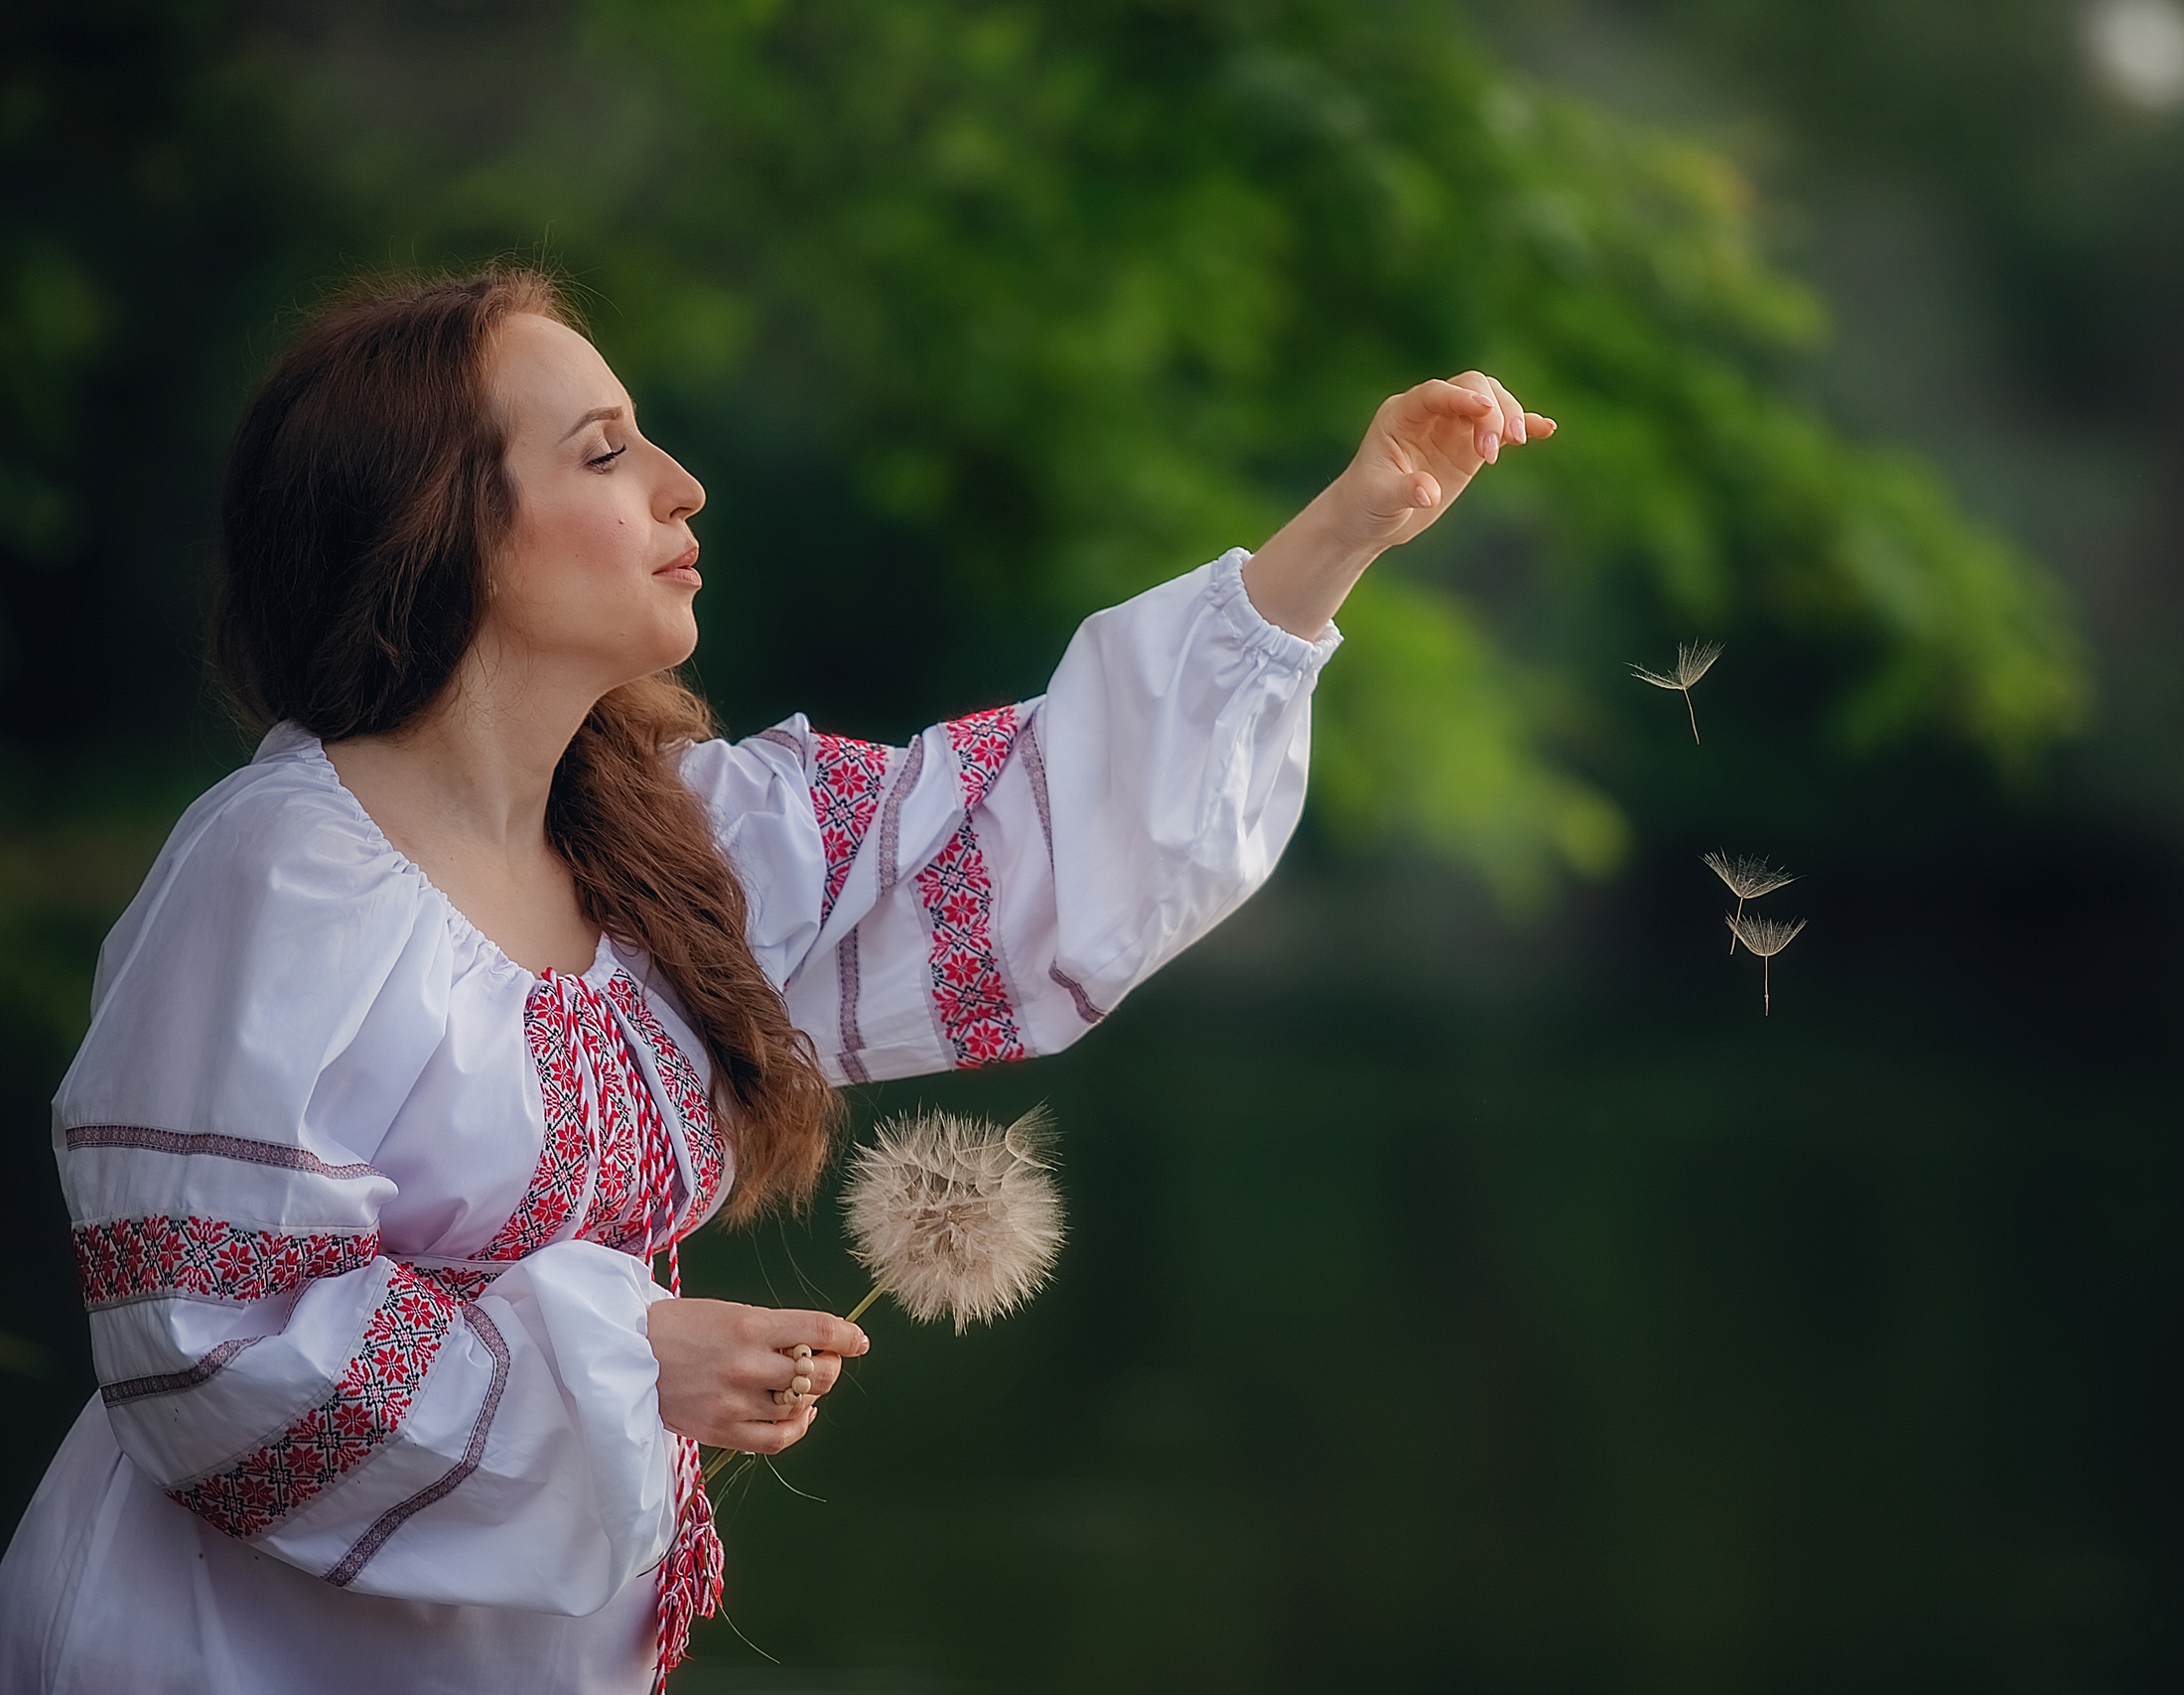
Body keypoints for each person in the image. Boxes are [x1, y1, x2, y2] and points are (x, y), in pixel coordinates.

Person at [0, 266, 1553, 1694]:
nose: (683, 486)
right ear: (440, 526)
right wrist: (624, 1357)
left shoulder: (672, 844)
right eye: (604, 454)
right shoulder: (286, 877)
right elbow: (205, 1337)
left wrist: (1349, 524)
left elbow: (1025, 837)